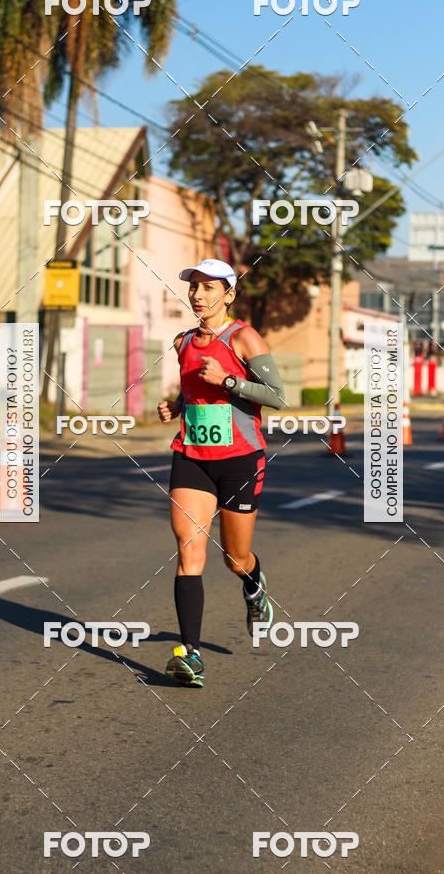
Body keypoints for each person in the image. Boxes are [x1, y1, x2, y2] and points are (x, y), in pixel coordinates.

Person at [157, 258, 286, 687]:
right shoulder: (182, 342)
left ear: (228, 295)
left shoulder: (244, 338)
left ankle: (253, 583)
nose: (198, 295)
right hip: (191, 456)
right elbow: (192, 386)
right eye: (194, 286)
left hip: (240, 460)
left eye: (209, 288)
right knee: (189, 551)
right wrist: (177, 405)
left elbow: (277, 397)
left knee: (234, 557)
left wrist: (229, 382)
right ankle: (190, 653)